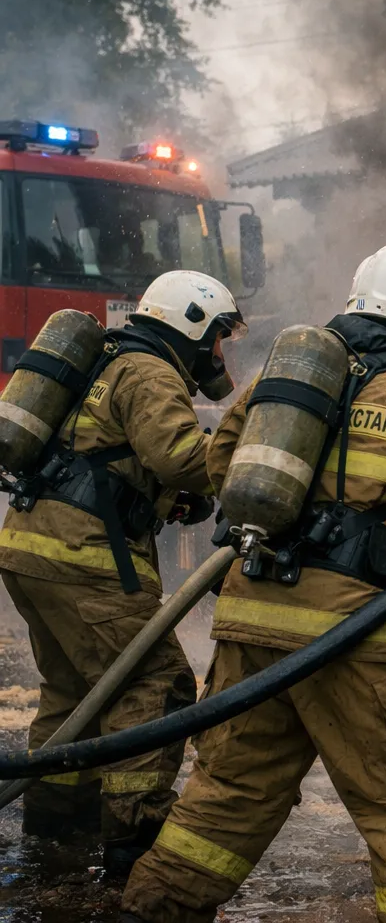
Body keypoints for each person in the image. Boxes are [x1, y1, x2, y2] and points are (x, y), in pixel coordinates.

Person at [120, 243, 386, 923]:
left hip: (253, 622)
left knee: (226, 797)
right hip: (358, 636)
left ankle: (150, 912)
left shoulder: (284, 379)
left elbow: (220, 470)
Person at [0, 270, 245, 876]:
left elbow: (99, 457)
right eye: (217, 336)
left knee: (74, 690)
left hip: (30, 546)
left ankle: (55, 824)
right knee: (154, 685)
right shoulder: (149, 371)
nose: (218, 352)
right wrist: (250, 457)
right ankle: (133, 839)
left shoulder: (103, 361)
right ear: (190, 326)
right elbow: (181, 458)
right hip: (83, 557)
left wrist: (160, 499)